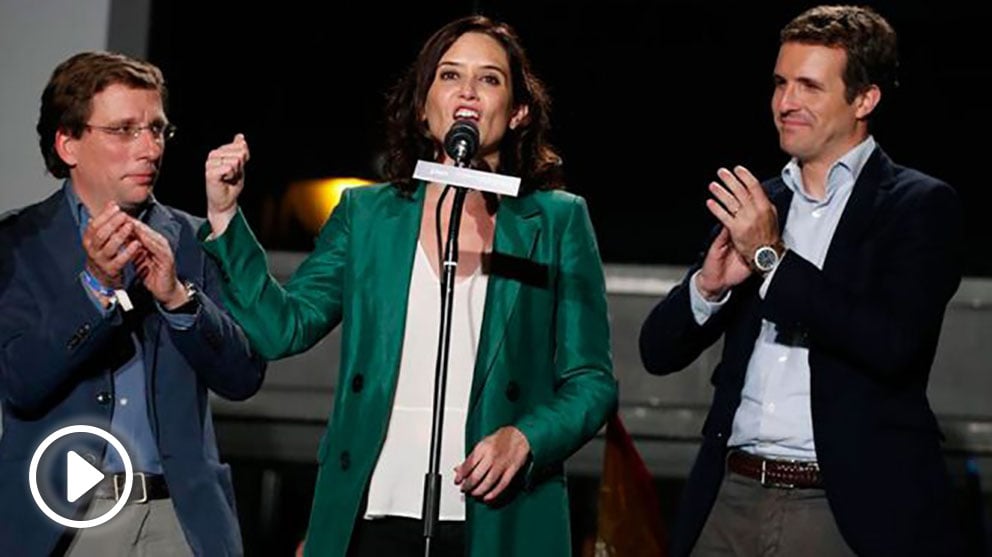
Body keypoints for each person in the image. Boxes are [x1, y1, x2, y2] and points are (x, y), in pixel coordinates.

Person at [199, 15, 617, 557]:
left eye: (489, 79)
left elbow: (592, 381)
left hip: (497, 514)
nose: (467, 91)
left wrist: (527, 438)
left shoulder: (557, 222)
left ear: (517, 112)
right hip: (375, 509)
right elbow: (284, 328)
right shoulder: (367, 215)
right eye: (449, 76)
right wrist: (227, 217)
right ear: (423, 107)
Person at [639, 5, 964, 556]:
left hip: (840, 506)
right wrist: (708, 290)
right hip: (730, 495)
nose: (785, 103)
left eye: (809, 86)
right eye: (781, 83)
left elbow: (891, 344)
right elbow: (657, 351)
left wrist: (771, 259)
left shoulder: (918, 206)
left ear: (865, 100)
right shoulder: (762, 201)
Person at [0, 51, 266, 556]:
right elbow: (21, 383)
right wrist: (95, 286)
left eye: (157, 130)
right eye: (124, 130)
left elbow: (243, 376)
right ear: (69, 143)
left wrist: (178, 300)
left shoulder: (194, 240)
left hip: (179, 520)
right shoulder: (18, 243)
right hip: (66, 516)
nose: (149, 149)